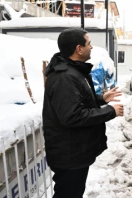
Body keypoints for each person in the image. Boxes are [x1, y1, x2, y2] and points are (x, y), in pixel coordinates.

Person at [42, 28, 124, 198]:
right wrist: (110, 112)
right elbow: (72, 116)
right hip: (69, 154)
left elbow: (77, 100)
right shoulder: (65, 76)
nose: (92, 47)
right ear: (79, 49)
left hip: (74, 151)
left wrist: (102, 99)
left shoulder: (73, 70)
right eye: (88, 43)